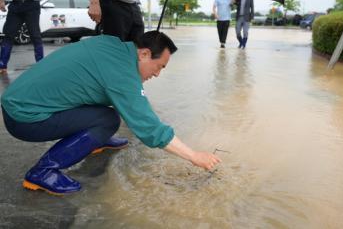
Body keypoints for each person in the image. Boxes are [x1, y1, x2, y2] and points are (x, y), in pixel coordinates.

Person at [1, 31, 221, 195]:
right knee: (106, 121)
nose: (158, 74)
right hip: (24, 118)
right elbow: (149, 128)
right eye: (160, 66)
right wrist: (194, 156)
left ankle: (94, 141)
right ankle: (42, 172)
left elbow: (111, 88)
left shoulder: (112, 45)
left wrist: (135, 88)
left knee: (107, 115)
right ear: (144, 53)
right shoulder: (122, 75)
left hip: (19, 100)